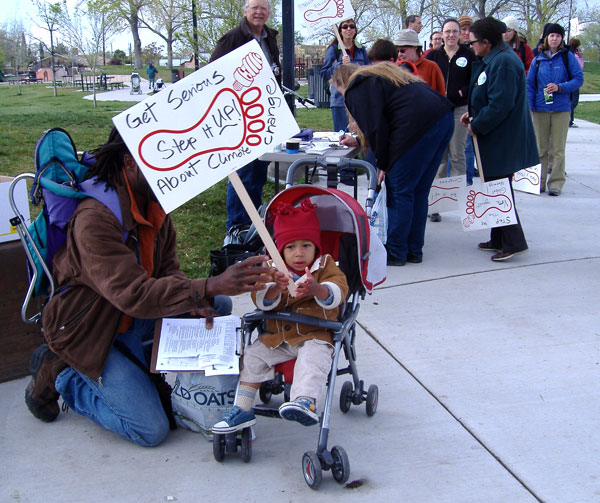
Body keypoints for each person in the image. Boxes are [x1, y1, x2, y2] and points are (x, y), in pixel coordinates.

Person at [24, 127, 276, 446]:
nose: (176, 169)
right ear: (130, 162)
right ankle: (63, 375)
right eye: (164, 160)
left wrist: (196, 296)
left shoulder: (152, 202)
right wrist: (209, 284)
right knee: (150, 429)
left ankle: (138, 360)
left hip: (128, 317)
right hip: (90, 330)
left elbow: (168, 268)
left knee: (217, 306)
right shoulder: (95, 219)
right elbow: (134, 294)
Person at [212, 200, 349, 431]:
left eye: (306, 245)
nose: (299, 253)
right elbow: (260, 299)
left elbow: (339, 289)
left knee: (313, 359)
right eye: (291, 247)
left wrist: (318, 289)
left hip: (313, 334)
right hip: (276, 337)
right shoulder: (273, 269)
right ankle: (243, 408)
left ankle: (305, 401)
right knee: (252, 356)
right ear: (279, 249)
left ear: (316, 247)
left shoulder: (325, 266)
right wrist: (274, 288)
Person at [334, 63, 454, 265]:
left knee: (400, 190)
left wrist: (384, 164)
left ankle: (396, 252)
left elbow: (376, 128)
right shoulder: (381, 78)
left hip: (416, 127)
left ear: (342, 83)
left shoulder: (356, 87)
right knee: (418, 191)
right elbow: (388, 117)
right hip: (442, 117)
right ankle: (414, 250)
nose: (344, 98)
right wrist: (360, 141)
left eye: (340, 92)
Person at [460, 17, 539, 261]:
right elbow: (488, 96)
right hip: (494, 135)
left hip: (501, 138)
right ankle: (498, 236)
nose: (471, 46)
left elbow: (501, 104)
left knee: (499, 188)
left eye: (473, 42)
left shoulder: (503, 62)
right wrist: (473, 115)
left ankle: (514, 241)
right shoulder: (495, 60)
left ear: (486, 42)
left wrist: (479, 124)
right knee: (493, 185)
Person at [210, 0, 281, 231]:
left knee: (258, 171)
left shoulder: (270, 38)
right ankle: (238, 227)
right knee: (244, 172)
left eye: (263, 8)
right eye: (254, 8)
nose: (259, 12)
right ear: (245, 11)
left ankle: (253, 224)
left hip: (265, 116)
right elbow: (212, 74)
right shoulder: (232, 38)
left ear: (269, 13)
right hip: (241, 116)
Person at [427, 18, 476, 221]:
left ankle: (457, 199)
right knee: (439, 157)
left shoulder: (469, 55)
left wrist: (460, 92)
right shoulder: (434, 56)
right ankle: (437, 204)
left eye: (455, 31)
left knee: (457, 154)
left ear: (460, 34)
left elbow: (474, 81)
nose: (451, 35)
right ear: (442, 34)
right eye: (447, 31)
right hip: (438, 109)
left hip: (459, 109)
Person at [527, 23, 584, 196]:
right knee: (540, 148)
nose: (554, 39)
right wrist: (530, 105)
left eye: (558, 36)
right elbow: (530, 84)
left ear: (561, 39)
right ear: (546, 38)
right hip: (540, 109)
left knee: (558, 149)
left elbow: (578, 79)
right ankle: (539, 182)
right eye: (551, 35)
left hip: (561, 108)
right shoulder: (538, 59)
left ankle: (556, 184)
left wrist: (560, 87)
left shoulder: (567, 58)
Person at [320, 19, 370, 132]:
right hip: (340, 101)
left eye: (352, 26)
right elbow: (324, 74)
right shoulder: (333, 50)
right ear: (340, 31)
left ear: (355, 30)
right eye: (345, 26)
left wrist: (359, 69)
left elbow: (369, 71)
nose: (348, 29)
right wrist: (339, 64)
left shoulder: (361, 50)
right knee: (342, 135)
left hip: (359, 100)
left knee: (360, 136)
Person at [395, 29, 445, 95]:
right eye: (397, 51)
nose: (399, 54)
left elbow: (441, 95)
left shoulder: (431, 67)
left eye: (402, 50)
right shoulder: (396, 69)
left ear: (415, 47)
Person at [568, 38, 585, 127]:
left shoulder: (569, 53)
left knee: (571, 101)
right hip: (573, 81)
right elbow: (580, 67)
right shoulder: (572, 55)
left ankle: (569, 120)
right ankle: (568, 119)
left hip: (569, 81)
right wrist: (580, 56)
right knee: (573, 101)